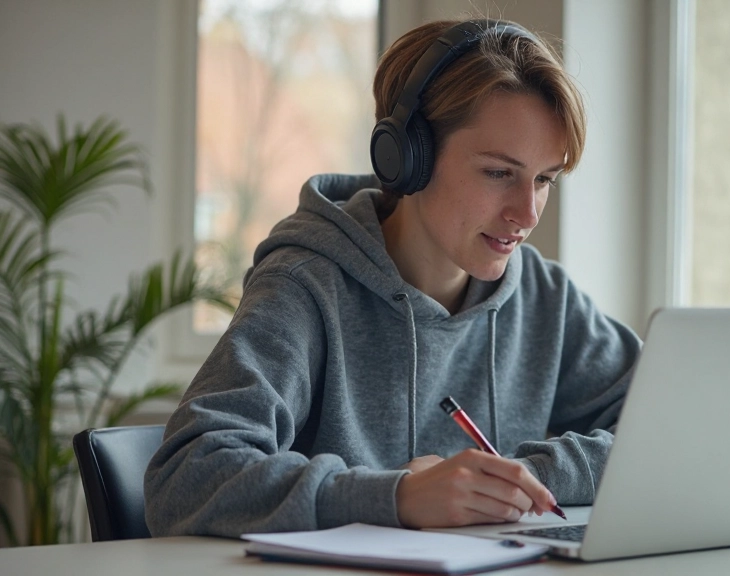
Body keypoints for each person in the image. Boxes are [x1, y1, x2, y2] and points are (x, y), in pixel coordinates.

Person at [144, 19, 641, 537]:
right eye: (499, 173)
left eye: (543, 180)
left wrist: (524, 478)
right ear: (407, 158)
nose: (528, 213)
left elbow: (673, 428)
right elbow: (186, 475)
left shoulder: (543, 296)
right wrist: (393, 497)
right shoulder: (305, 285)